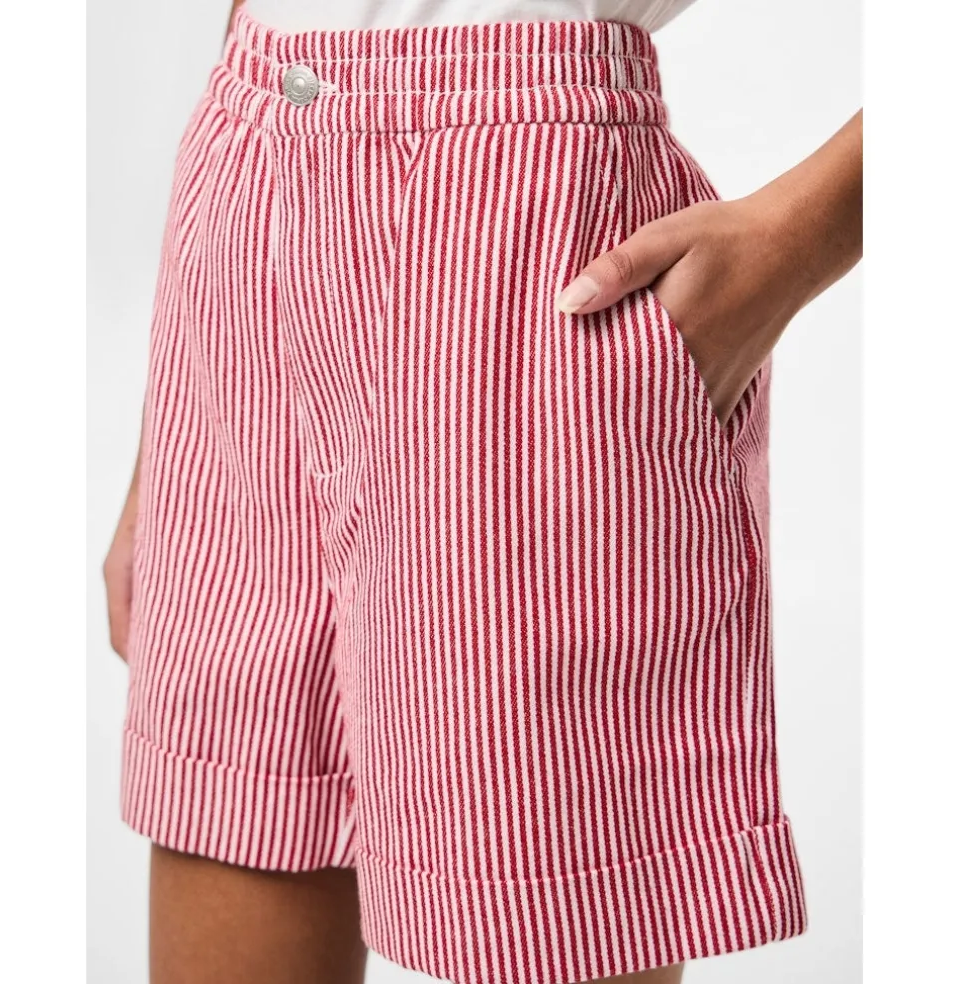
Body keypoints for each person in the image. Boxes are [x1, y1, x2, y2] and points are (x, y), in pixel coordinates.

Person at [103, 1, 862, 982]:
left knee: (553, 923)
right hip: (250, 177)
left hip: (519, 240)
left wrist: (795, 243)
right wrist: (161, 439)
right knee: (235, 825)